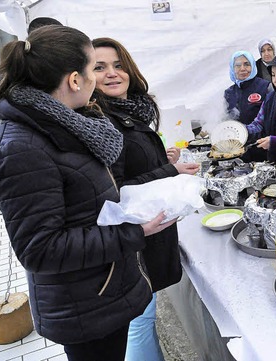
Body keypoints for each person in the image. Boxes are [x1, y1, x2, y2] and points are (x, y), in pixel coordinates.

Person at [0, 26, 175, 361]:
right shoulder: (21, 147)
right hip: (84, 306)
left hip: (101, 291)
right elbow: (40, 249)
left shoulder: (67, 123)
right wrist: (133, 232)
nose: (98, 79)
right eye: (93, 70)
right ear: (75, 80)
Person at [91, 37, 200, 361]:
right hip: (132, 244)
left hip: (144, 237)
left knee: (142, 317)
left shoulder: (128, 112)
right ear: (84, 75)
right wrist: (170, 170)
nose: (112, 73)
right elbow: (117, 190)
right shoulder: (103, 122)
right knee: (140, 322)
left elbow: (133, 164)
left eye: (118, 65)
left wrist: (160, 159)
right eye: (100, 67)